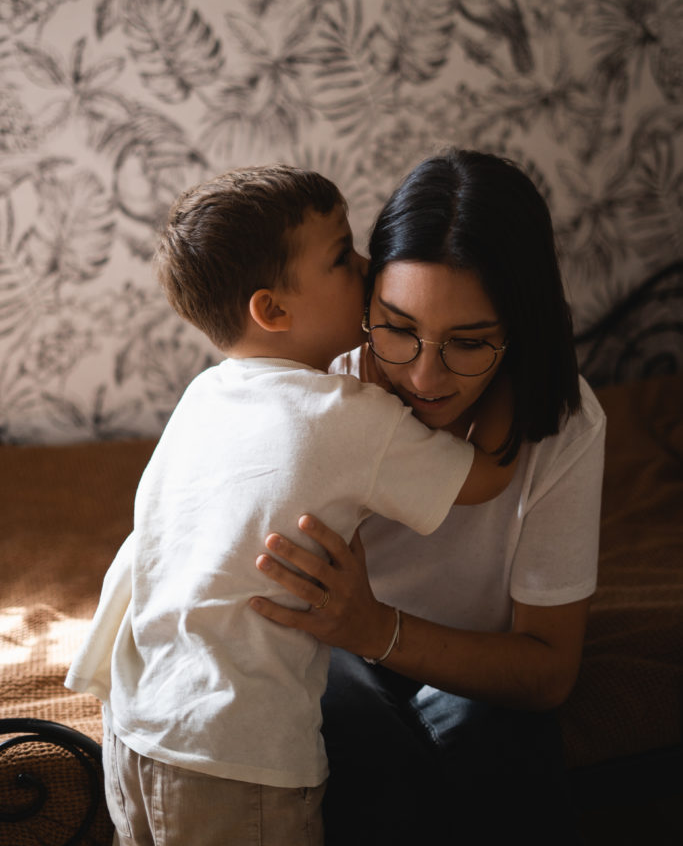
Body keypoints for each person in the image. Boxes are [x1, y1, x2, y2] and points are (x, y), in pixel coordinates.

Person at [65, 164, 515, 846]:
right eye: (343, 256)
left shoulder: (206, 396)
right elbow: (487, 479)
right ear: (272, 310)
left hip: (135, 724)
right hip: (236, 752)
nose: (369, 267)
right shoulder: (344, 415)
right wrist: (510, 354)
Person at [248, 149, 606, 845]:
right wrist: (355, 637)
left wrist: (376, 628)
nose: (423, 375)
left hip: (451, 655)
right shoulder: (321, 395)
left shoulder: (562, 423)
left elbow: (547, 671)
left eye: (468, 342)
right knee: (346, 745)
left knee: (501, 746)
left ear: (518, 329)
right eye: (397, 327)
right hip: (330, 652)